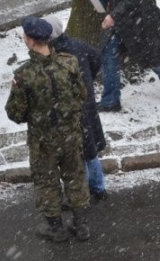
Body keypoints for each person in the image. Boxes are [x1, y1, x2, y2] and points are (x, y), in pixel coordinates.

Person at [5, 17, 90, 242]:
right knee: (75, 176)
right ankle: (81, 225)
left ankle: (55, 227)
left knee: (46, 180)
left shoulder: (24, 75)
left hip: (44, 140)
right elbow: (82, 95)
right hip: (71, 135)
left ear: (31, 41)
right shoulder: (69, 62)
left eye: (25, 36)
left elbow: (15, 114)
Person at [44, 15, 109, 202]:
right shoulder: (77, 45)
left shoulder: (53, 56)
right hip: (86, 105)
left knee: (76, 154)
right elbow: (96, 58)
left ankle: (84, 191)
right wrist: (88, 78)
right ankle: (98, 188)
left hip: (67, 110)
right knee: (90, 150)